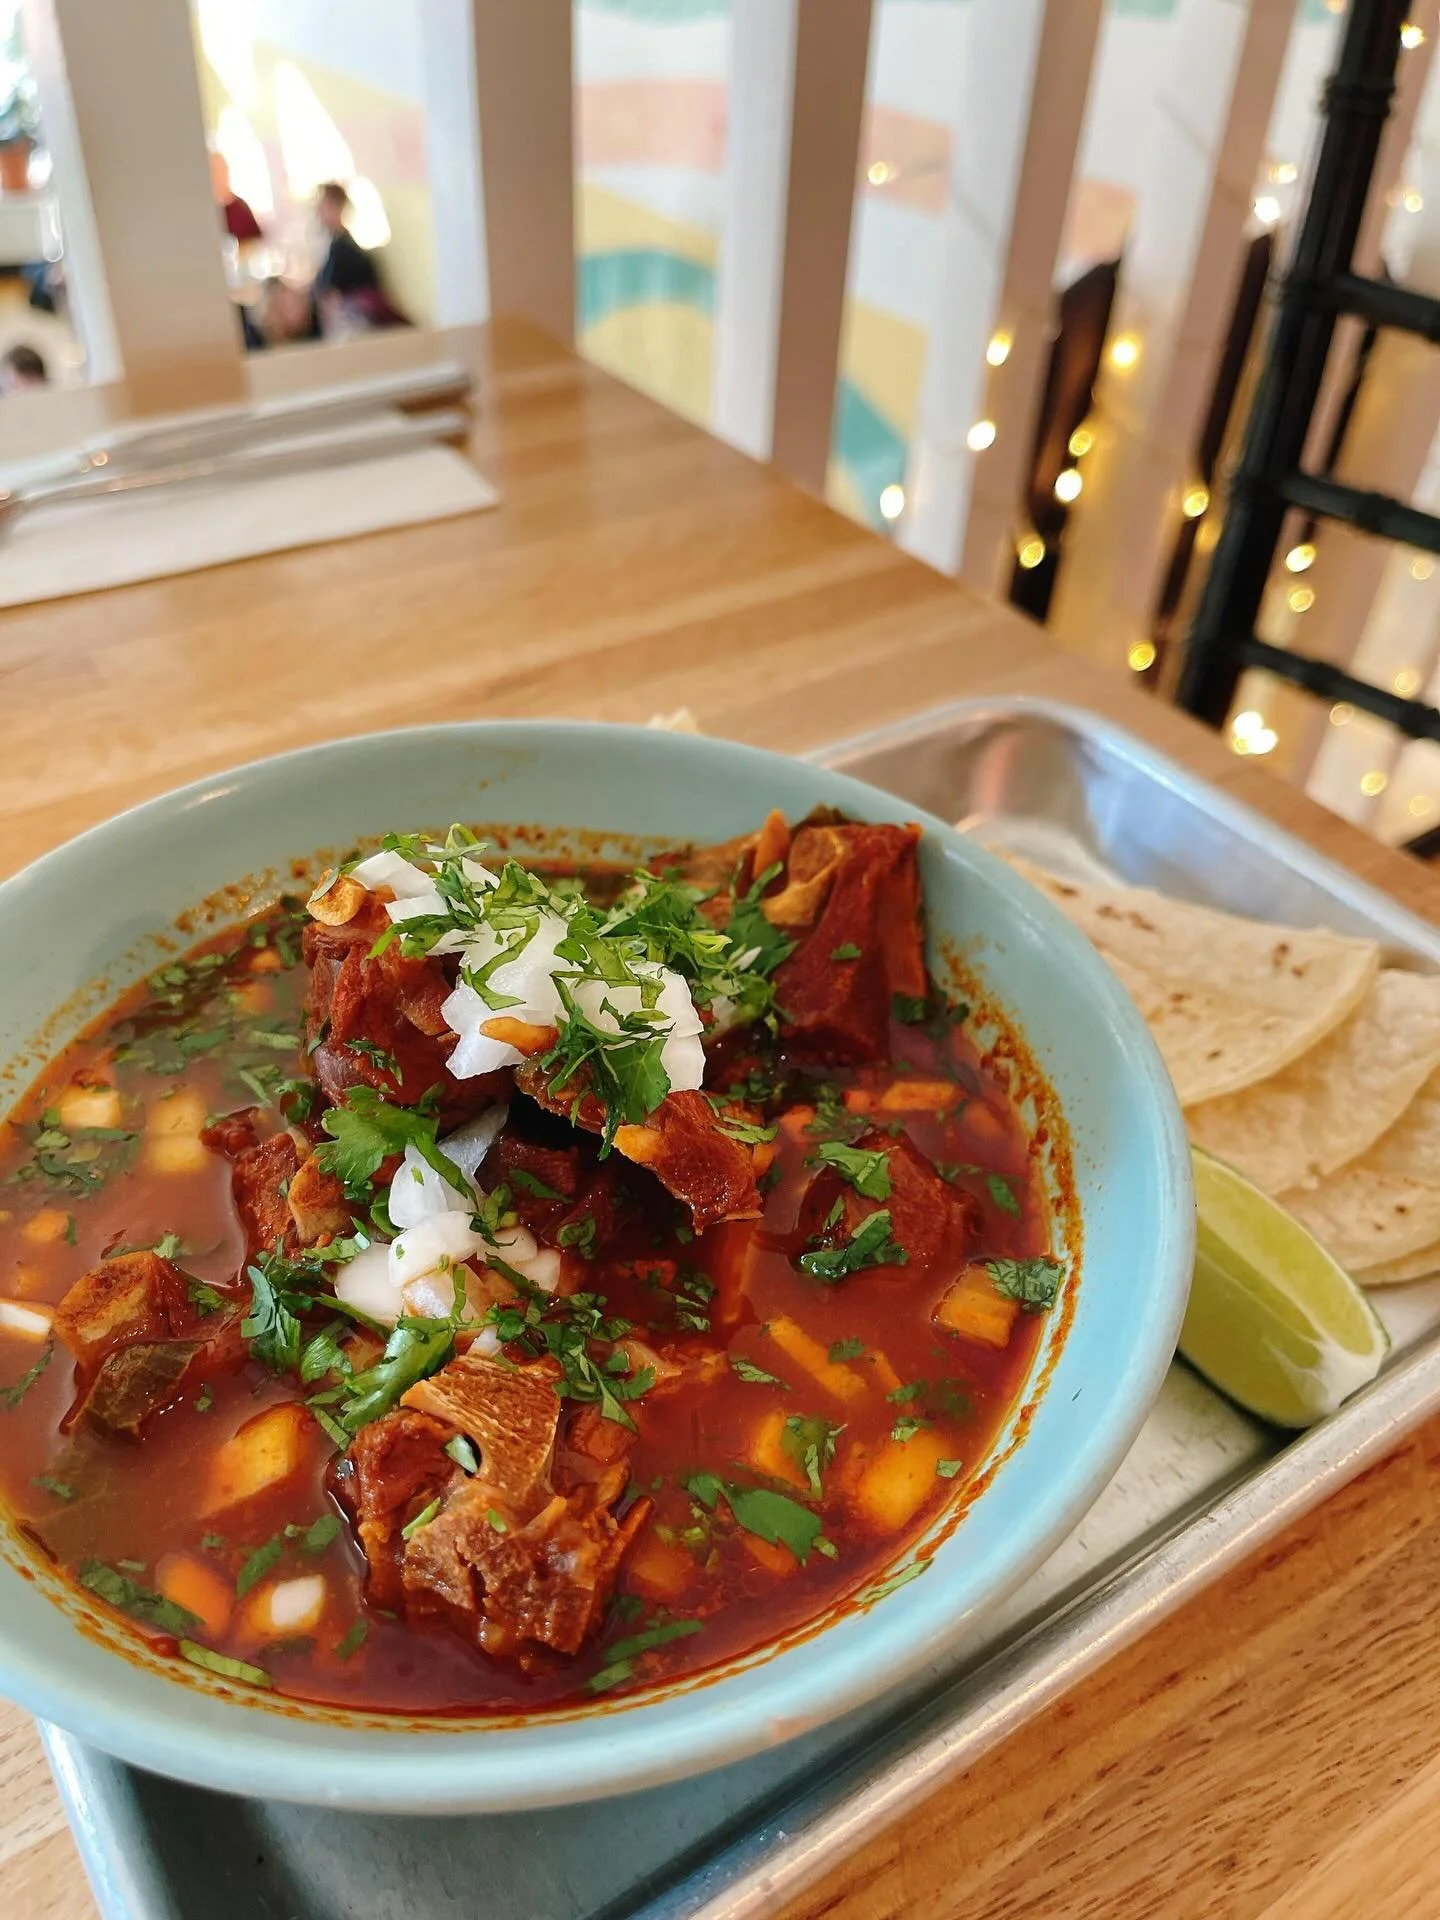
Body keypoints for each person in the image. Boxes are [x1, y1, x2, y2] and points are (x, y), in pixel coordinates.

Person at [311, 181, 409, 333]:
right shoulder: (334, 247)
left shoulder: (346, 251)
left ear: (337, 206)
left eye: (323, 206)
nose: (318, 213)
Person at [209, 149, 262, 245]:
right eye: (215, 170)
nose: (221, 174)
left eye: (223, 169)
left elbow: (256, 240)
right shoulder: (209, 212)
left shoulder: (240, 206)